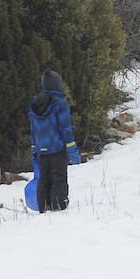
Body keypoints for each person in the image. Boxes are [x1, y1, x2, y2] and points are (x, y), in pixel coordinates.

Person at [28, 69, 82, 212]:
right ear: (57, 84)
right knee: (58, 178)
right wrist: (72, 149)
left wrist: (34, 148)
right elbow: (65, 128)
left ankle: (43, 207)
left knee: (43, 179)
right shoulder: (60, 103)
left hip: (41, 150)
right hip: (57, 148)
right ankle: (58, 207)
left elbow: (33, 129)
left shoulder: (35, 103)